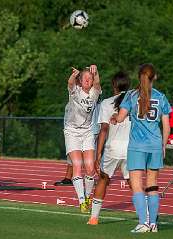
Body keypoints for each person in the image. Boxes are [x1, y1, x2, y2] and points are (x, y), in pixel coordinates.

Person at [110, 63, 171, 233]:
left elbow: (121, 118)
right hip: (155, 145)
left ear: (139, 77)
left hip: (137, 145)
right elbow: (166, 126)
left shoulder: (131, 95)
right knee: (152, 185)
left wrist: (114, 117)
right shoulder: (161, 97)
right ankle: (153, 224)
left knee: (137, 185)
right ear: (155, 77)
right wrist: (164, 145)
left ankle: (143, 222)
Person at [88, 71, 131, 225]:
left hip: (113, 148)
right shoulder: (135, 101)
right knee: (134, 183)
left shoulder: (107, 103)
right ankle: (146, 216)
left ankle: (94, 218)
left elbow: (104, 130)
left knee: (103, 180)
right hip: (131, 148)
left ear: (114, 85)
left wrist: (98, 154)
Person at [64, 65, 101, 213]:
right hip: (72, 131)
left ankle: (87, 196)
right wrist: (74, 75)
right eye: (85, 78)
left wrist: (96, 72)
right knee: (78, 165)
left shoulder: (94, 93)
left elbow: (98, 84)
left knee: (91, 168)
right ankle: (81, 201)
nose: (88, 80)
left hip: (87, 132)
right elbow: (70, 83)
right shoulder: (75, 91)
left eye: (90, 78)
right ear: (80, 80)